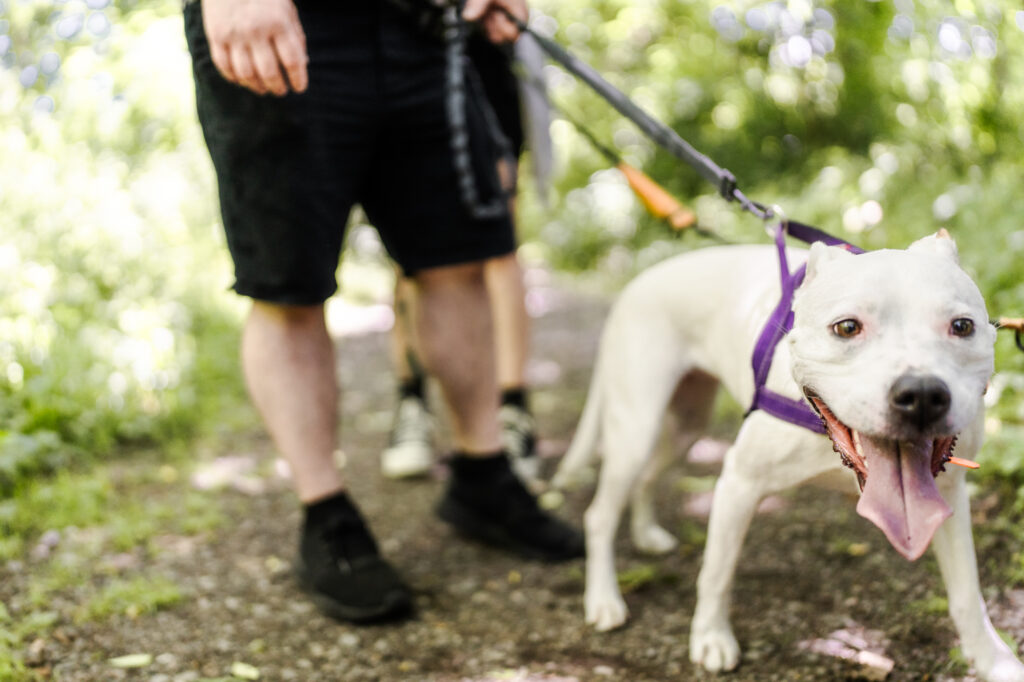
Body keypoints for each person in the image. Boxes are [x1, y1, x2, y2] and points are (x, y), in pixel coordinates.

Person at [183, 0, 583, 624]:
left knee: (460, 258)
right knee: (287, 286)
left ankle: (484, 475)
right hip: (286, 24)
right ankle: (326, 514)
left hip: (424, 27)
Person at [382, 33, 539, 483]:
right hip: (385, 42)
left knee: (500, 244)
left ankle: (512, 410)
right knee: (409, 245)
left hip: (479, 46)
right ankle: (412, 400)